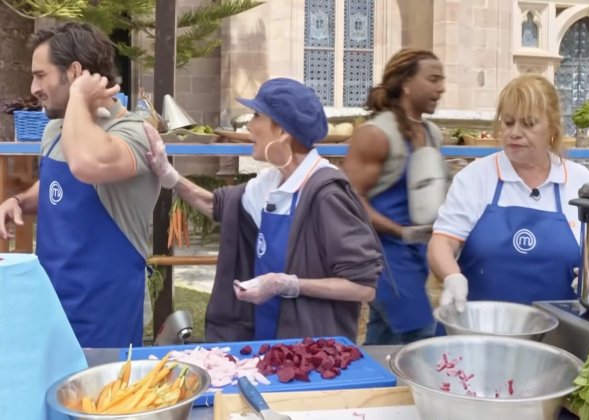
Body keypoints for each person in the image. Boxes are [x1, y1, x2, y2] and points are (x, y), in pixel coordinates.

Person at [145, 78, 383, 342]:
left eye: (257, 115)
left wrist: (288, 284)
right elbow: (216, 205)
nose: (249, 125)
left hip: (312, 351)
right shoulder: (271, 181)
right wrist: (169, 176)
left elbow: (363, 287)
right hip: (269, 340)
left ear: (281, 130)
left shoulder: (327, 193)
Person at [0, 23, 160, 347]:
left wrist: (78, 97)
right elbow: (55, 188)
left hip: (105, 321)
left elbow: (85, 164)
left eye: (41, 75)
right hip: (50, 308)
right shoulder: (55, 130)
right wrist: (18, 201)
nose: (33, 87)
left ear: (75, 73)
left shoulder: (133, 133)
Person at [428, 73, 589, 310]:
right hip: (479, 330)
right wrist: (451, 276)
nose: (514, 132)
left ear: (553, 126)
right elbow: (442, 242)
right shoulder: (476, 178)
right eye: (508, 122)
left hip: (560, 335)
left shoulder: (582, 184)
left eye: (528, 123)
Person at [344, 49, 447, 344]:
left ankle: (369, 386)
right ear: (406, 84)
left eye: (442, 79)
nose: (441, 88)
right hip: (383, 257)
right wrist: (400, 231)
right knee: (421, 334)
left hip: (415, 255)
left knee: (384, 336)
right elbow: (352, 201)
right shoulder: (375, 134)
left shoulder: (431, 134)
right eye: (433, 79)